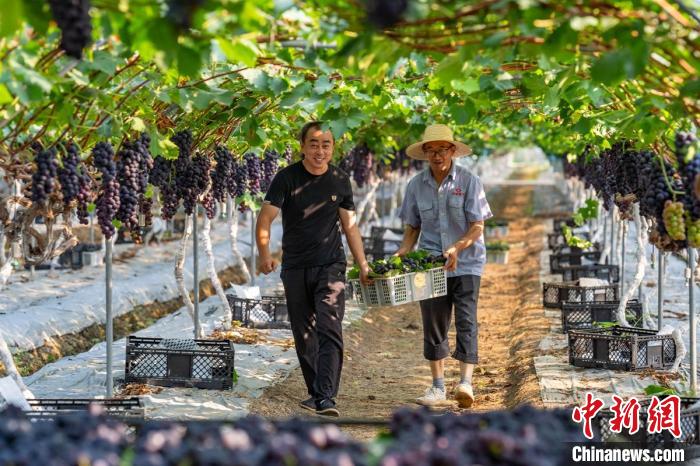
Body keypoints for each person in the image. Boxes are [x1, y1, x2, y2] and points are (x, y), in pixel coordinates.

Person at [256, 121, 371, 417]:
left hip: (331, 265)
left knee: (329, 326)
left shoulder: (340, 180)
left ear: (333, 147)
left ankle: (326, 397)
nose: (320, 151)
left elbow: (350, 226)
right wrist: (264, 254)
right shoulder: (286, 178)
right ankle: (315, 391)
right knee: (304, 332)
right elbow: (265, 218)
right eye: (314, 144)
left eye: (326, 144)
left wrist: (362, 263)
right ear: (303, 147)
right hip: (295, 266)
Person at [395, 124, 492, 408]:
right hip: (430, 265)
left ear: (452, 151)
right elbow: (412, 226)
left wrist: (456, 247)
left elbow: (477, 226)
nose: (437, 155)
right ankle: (437, 387)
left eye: (443, 150)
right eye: (431, 150)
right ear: (425, 153)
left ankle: (465, 383)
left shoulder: (469, 181)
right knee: (434, 322)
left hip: (468, 263)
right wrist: (403, 251)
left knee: (466, 320)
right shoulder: (415, 185)